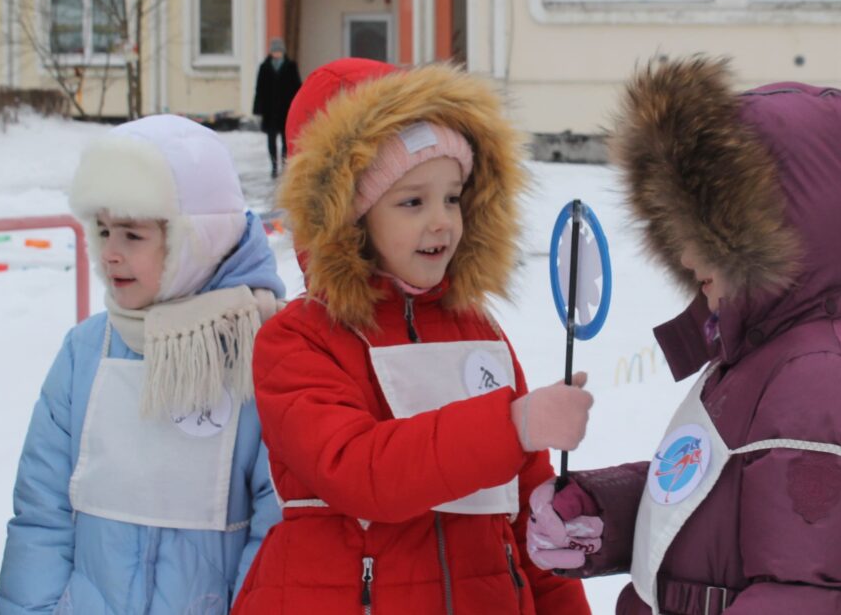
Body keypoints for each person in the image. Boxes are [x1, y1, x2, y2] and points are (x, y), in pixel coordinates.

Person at [526, 56, 841, 615]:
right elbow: (714, 503)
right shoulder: (760, 357)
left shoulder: (820, 381)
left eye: (706, 233)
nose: (684, 254)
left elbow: (798, 594)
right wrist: (600, 512)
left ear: (775, 235)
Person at [232, 58, 594, 614]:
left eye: (452, 197)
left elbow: (528, 517)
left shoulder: (479, 331)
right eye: (412, 202)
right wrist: (512, 425)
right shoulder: (299, 340)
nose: (443, 221)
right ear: (350, 219)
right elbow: (359, 471)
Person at [0, 115, 285, 614]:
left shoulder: (262, 356)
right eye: (103, 230)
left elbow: (277, 531)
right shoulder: (85, 353)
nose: (109, 253)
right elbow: (43, 516)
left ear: (195, 239)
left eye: (132, 235)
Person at [252, 37, 302, 178]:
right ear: (271, 52)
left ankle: (285, 165)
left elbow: (297, 87)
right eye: (275, 51)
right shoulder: (264, 67)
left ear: (283, 52)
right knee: (271, 140)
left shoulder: (291, 66)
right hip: (270, 110)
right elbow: (259, 89)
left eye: (279, 51)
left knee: (286, 140)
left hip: (286, 110)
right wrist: (258, 109)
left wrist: (297, 106)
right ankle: (274, 165)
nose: (277, 53)